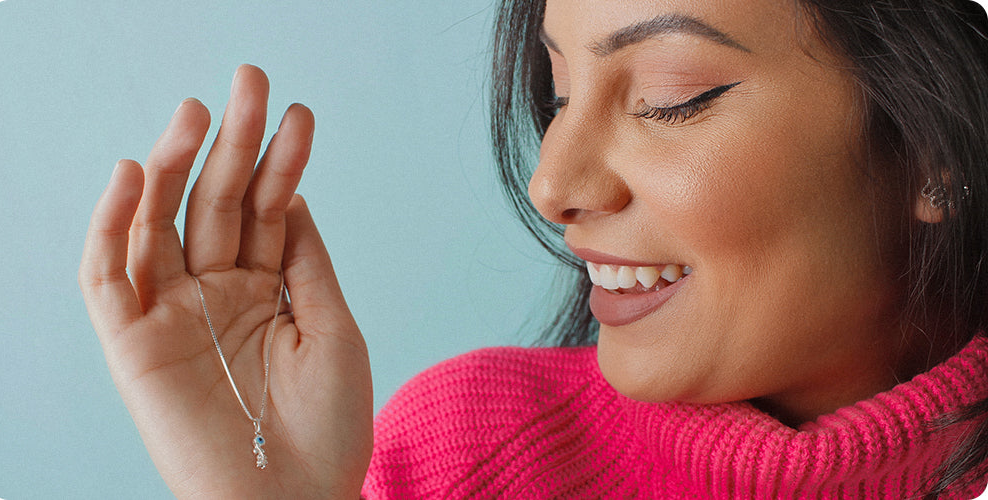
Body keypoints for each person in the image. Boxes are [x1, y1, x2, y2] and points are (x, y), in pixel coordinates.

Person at [79, 0, 988, 498]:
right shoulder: (463, 458)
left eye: (671, 97)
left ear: (935, 151)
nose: (551, 185)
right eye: (556, 94)